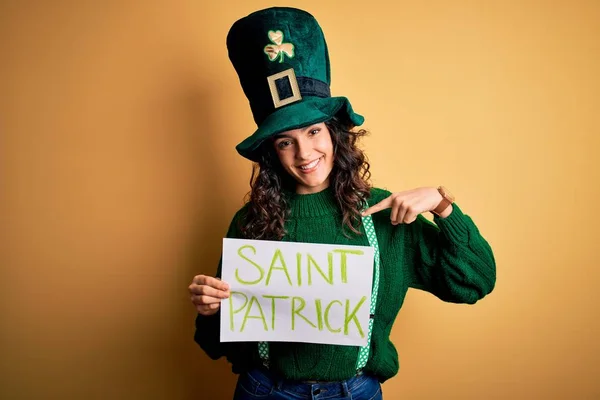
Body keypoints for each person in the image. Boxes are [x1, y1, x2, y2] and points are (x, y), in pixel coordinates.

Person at [188, 7, 496, 400]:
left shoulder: (386, 214)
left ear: (334, 134)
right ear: (272, 152)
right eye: (285, 141)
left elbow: (476, 281)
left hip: (356, 392)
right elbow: (216, 344)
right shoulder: (251, 220)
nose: (304, 153)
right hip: (265, 390)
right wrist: (210, 309)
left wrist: (442, 205)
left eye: (314, 131)